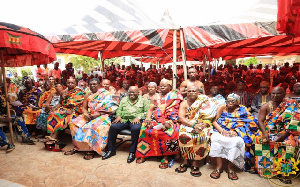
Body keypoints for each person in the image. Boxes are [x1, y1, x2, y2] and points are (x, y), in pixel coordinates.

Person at [254, 87, 300, 183]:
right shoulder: (266, 106)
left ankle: (284, 173)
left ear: (284, 95)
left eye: (278, 93)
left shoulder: (290, 105)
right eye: (273, 93)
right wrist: (265, 134)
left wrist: (284, 135)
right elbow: (260, 121)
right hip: (268, 131)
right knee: (260, 140)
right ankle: (267, 170)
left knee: (290, 143)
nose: (275, 95)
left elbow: (294, 121)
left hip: (287, 131)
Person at [209, 93, 259, 180]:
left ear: (237, 103)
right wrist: (222, 131)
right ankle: (219, 166)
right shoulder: (222, 107)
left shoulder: (243, 109)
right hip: (221, 130)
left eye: (233, 101)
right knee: (215, 139)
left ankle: (230, 167)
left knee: (238, 142)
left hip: (236, 132)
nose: (230, 103)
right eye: (228, 101)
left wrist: (237, 131)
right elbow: (214, 121)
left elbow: (252, 122)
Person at [135, 79, 183, 168]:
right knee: (145, 129)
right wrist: (148, 118)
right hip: (156, 120)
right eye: (161, 86)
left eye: (164, 86)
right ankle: (145, 154)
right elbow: (150, 109)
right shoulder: (155, 97)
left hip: (170, 120)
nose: (162, 87)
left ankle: (166, 156)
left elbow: (175, 112)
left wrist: (169, 122)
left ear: (170, 87)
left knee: (171, 132)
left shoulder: (174, 96)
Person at [67, 78, 118, 159]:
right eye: (91, 84)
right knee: (74, 124)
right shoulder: (87, 94)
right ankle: (80, 147)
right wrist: (85, 113)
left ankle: (92, 149)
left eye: (94, 84)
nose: (92, 86)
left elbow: (111, 109)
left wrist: (98, 114)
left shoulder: (105, 94)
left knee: (93, 126)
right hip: (90, 115)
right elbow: (84, 108)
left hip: (102, 116)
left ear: (98, 85)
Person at [176, 86, 217, 177]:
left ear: (199, 93)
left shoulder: (205, 102)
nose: (191, 92)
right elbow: (181, 118)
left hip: (203, 124)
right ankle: (185, 160)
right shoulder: (184, 103)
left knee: (201, 136)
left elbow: (209, 117)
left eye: (194, 91)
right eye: (189, 91)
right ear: (186, 93)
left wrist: (201, 125)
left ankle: (195, 162)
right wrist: (194, 125)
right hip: (188, 123)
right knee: (183, 136)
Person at [102, 86, 150, 163]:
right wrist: (118, 116)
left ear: (138, 92)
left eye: (133, 92)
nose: (131, 94)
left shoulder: (143, 100)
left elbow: (147, 111)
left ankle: (132, 152)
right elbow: (119, 109)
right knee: (113, 127)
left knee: (136, 129)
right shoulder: (124, 99)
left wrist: (139, 117)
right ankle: (111, 150)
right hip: (124, 119)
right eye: (130, 92)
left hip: (135, 120)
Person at [46, 77, 85, 143]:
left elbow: (81, 105)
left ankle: (55, 137)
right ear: (66, 83)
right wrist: (54, 108)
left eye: (72, 83)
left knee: (60, 116)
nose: (70, 84)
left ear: (75, 83)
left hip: (75, 111)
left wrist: (68, 111)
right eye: (68, 83)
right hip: (64, 109)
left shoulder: (80, 92)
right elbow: (60, 102)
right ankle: (51, 135)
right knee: (52, 114)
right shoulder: (63, 92)